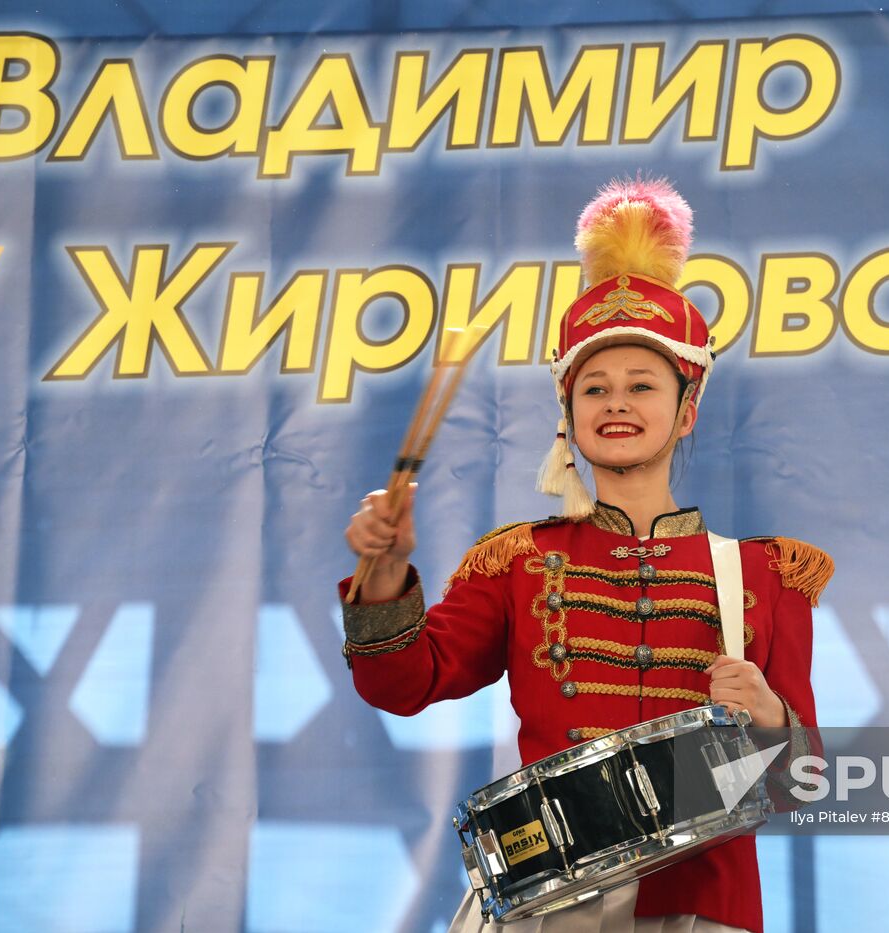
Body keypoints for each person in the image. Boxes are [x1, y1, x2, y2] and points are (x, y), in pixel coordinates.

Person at [340, 178, 832, 932]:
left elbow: (803, 780)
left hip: (703, 908)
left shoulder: (766, 576)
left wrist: (769, 717)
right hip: (550, 908)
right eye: (594, 387)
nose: (617, 402)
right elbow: (402, 682)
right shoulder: (519, 562)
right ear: (567, 414)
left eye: (642, 384)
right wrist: (382, 572)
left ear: (687, 409)